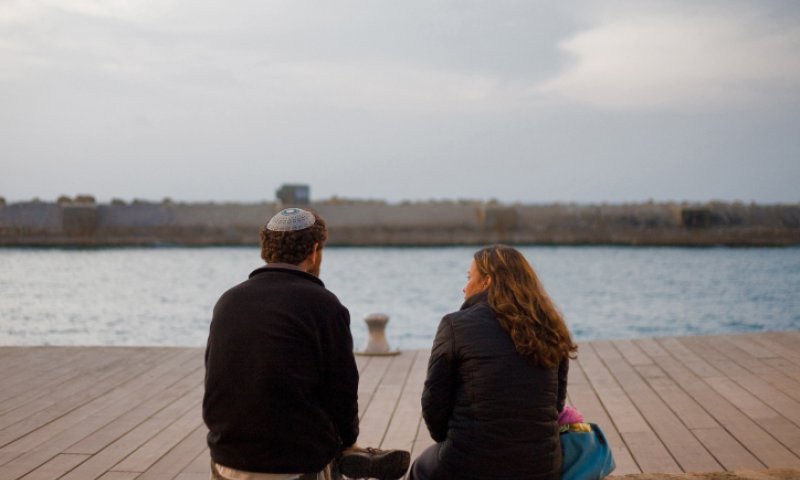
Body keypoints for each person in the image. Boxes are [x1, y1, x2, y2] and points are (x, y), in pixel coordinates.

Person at [203, 207, 410, 480]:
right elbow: (342, 391)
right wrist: (347, 440)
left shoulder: (228, 301)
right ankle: (347, 455)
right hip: (294, 462)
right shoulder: (324, 305)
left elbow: (216, 380)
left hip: (227, 458)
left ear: (266, 250)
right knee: (325, 444)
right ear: (314, 251)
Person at [410, 244, 577, 480]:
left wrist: (449, 440)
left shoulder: (455, 325)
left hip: (470, 464)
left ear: (486, 281)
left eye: (469, 277)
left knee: (419, 469)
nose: (464, 286)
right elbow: (556, 405)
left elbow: (433, 405)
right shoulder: (550, 326)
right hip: (542, 467)